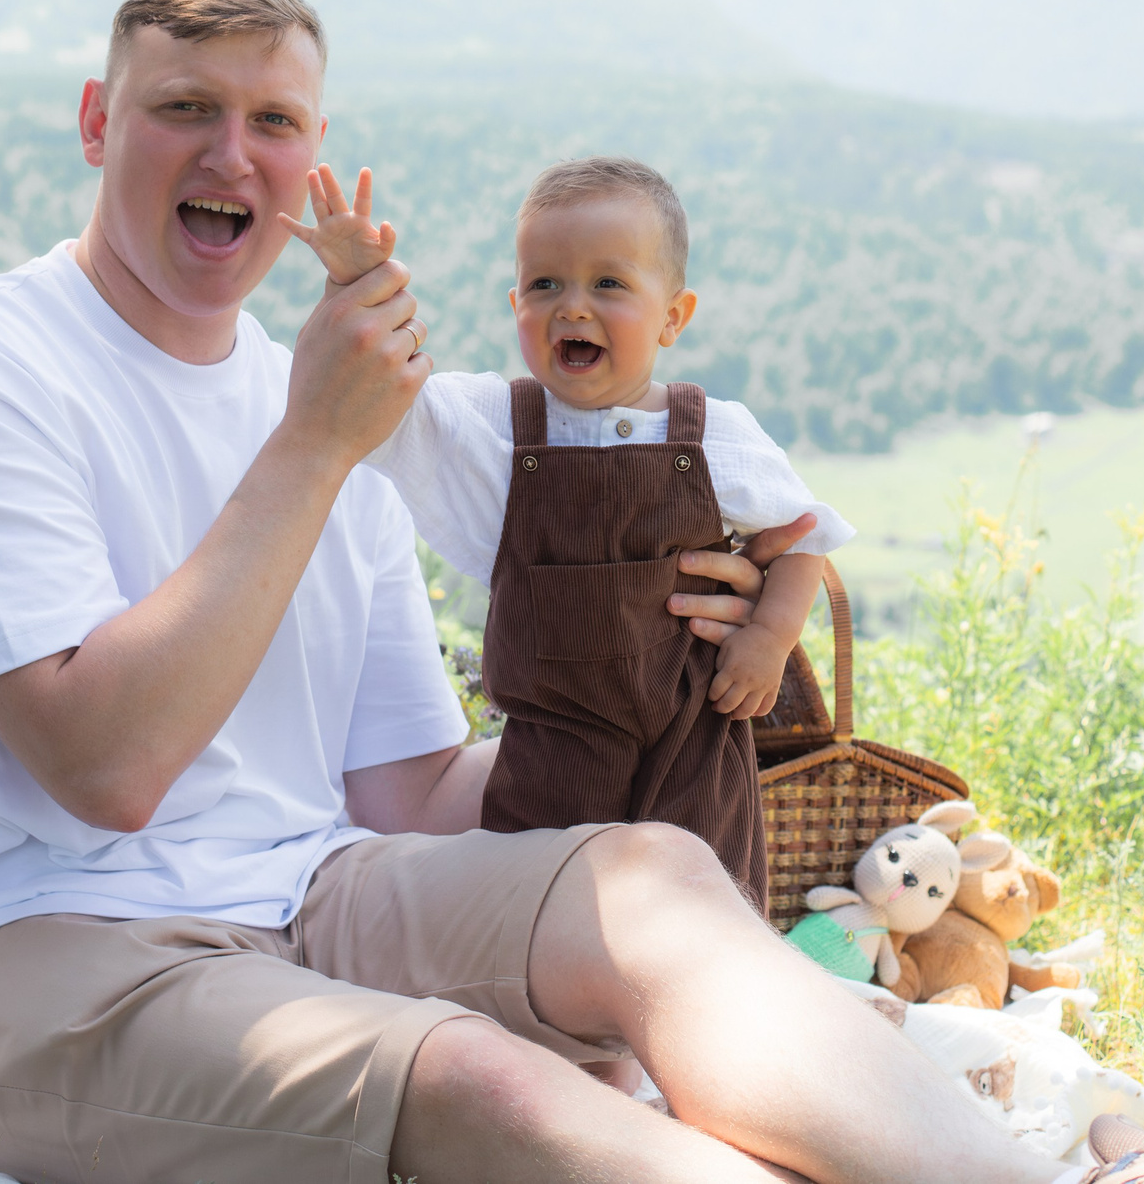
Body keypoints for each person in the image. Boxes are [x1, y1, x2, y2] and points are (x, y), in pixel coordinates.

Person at [0, 0, 1144, 1184]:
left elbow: (403, 789)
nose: (229, 151)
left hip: (309, 889)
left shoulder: (335, 404)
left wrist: (654, 684)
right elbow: (105, 766)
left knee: (646, 875)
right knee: (474, 1070)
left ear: (313, 161)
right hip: (21, 959)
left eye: (277, 118)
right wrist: (309, 447)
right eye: (185, 105)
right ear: (102, 121)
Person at [282, 156, 846, 909]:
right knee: (537, 919)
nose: (572, 306)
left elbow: (805, 534)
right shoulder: (497, 430)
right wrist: (359, 287)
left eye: (608, 283)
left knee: (703, 916)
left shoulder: (716, 436)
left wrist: (770, 636)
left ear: (673, 316)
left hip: (691, 747)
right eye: (545, 284)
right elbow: (389, 399)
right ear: (515, 302)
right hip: (551, 760)